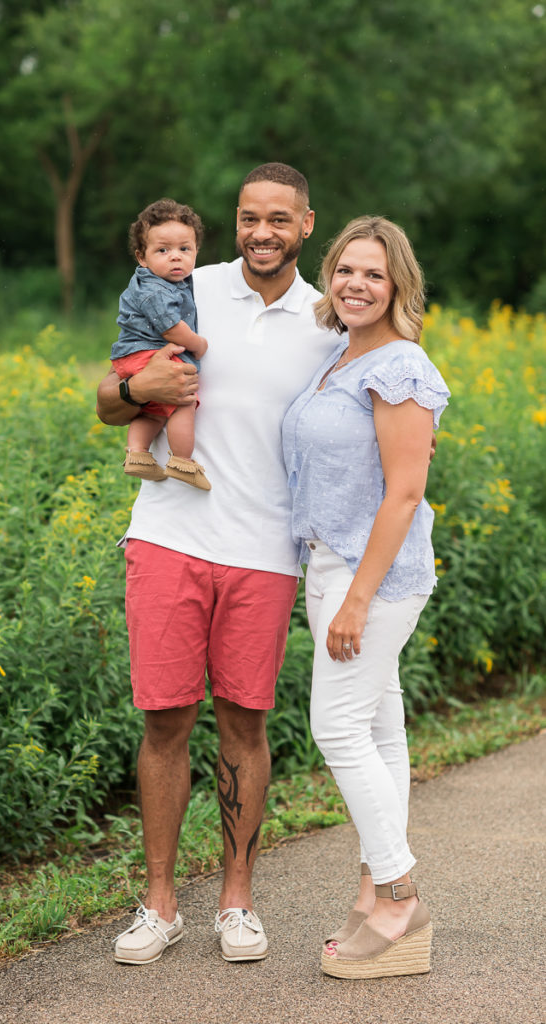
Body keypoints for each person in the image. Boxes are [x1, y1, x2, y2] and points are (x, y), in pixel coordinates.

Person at [96, 163, 339, 964]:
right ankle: (160, 903)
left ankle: (236, 900)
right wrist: (138, 393)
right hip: (170, 537)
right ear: (231, 223)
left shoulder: (328, 316)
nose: (260, 232)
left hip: (266, 553)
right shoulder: (183, 281)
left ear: (306, 225)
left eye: (278, 219)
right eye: (246, 217)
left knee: (245, 721)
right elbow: (106, 397)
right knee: (163, 720)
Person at [282, 216, 450, 979]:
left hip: (368, 576)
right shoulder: (340, 357)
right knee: (380, 724)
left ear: (398, 286)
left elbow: (406, 492)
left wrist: (355, 599)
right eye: (346, 269)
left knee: (338, 726)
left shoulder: (400, 365)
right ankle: (373, 893)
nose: (356, 283)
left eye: (374, 274)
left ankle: (400, 894)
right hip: (332, 565)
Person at [110, 198, 211, 490]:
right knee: (183, 399)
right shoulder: (155, 288)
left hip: (134, 355)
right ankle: (182, 461)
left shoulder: (171, 282)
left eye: (184, 249)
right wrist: (197, 343)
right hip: (145, 354)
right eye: (163, 250)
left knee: (155, 410)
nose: (175, 257)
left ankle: (138, 454)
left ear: (196, 251)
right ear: (142, 257)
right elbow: (169, 327)